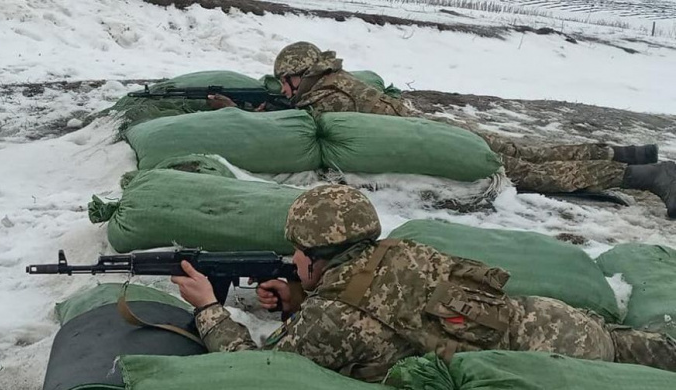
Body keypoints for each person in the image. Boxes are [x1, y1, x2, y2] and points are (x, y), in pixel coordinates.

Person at [172, 184, 676, 382]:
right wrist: (299, 295)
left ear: (318, 256)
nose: (293, 257)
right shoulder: (399, 251)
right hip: (557, 321)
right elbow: (384, 306)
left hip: (554, 363)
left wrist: (208, 308)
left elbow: (264, 370)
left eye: (300, 250)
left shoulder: (331, 321)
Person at [209, 41, 676, 218]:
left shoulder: (331, 97)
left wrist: (240, 114)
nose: (287, 90)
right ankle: (627, 152)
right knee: (529, 150)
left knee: (530, 171)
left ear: (303, 74)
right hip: (436, 128)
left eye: (289, 82)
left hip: (436, 144)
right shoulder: (335, 81)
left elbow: (303, 133)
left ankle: (647, 177)